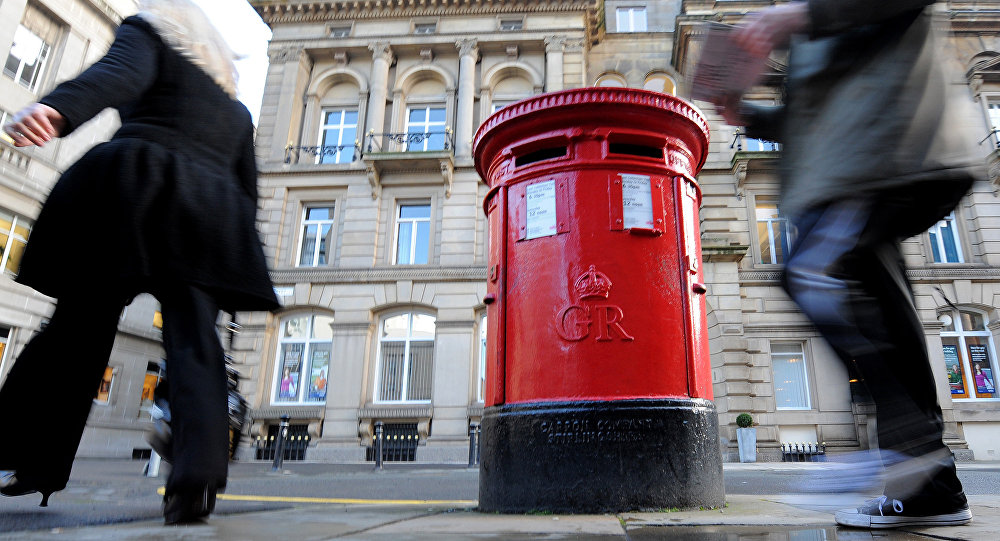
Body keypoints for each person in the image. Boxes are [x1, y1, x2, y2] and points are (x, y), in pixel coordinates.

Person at [0, 0, 279, 524]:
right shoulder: (237, 112)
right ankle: (195, 478)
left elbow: (117, 75)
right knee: (196, 340)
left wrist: (58, 110)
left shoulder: (148, 36)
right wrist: (233, 254)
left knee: (79, 326)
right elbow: (247, 188)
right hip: (210, 214)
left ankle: (32, 456)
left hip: (135, 190)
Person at [715, 0, 983, 530]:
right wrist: (744, 114)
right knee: (894, 324)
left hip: (887, 155)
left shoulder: (813, 12)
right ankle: (934, 490)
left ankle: (904, 445)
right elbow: (818, 113)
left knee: (809, 275)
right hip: (863, 167)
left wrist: (801, 16)